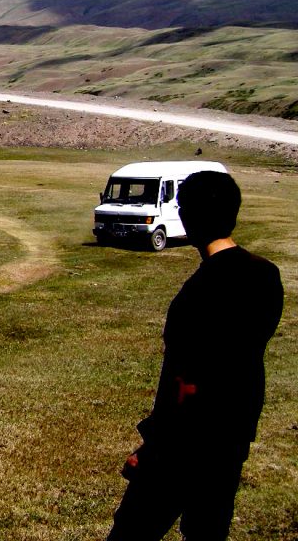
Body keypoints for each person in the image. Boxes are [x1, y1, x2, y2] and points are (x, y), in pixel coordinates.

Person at [106, 170, 283, 541]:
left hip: (184, 444)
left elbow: (182, 381)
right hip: (232, 438)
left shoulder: (197, 294)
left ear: (188, 217)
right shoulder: (266, 276)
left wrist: (151, 446)